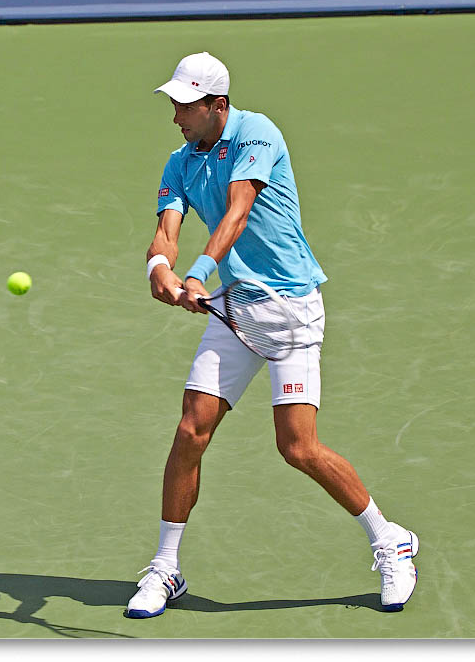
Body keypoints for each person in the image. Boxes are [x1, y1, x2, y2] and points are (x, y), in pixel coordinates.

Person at [127, 52, 419, 619]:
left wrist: (197, 274)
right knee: (190, 431)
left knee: (298, 448)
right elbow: (165, 232)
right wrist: (159, 270)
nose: (176, 117)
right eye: (174, 105)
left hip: (291, 311)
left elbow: (237, 212)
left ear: (218, 105)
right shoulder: (180, 162)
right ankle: (166, 567)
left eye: (186, 106)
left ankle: (391, 540)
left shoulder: (256, 133)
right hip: (236, 310)